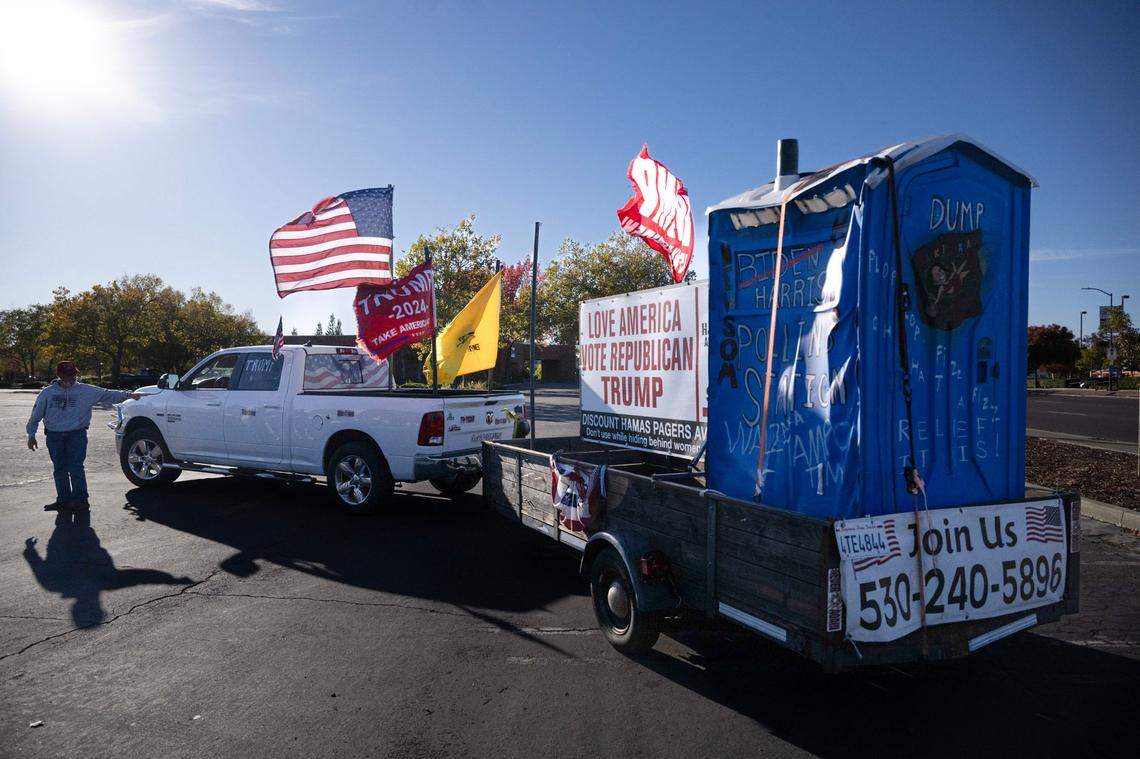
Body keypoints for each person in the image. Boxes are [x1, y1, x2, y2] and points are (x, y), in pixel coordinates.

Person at [26, 361, 140, 512]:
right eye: (68, 375)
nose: (72, 378)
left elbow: (107, 394)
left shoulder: (86, 390)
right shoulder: (47, 393)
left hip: (76, 434)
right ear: (59, 375)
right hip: (54, 436)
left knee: (75, 467)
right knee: (59, 468)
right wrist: (31, 434)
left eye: (73, 374)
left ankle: (81, 500)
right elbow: (36, 415)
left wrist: (129, 395)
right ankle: (63, 500)